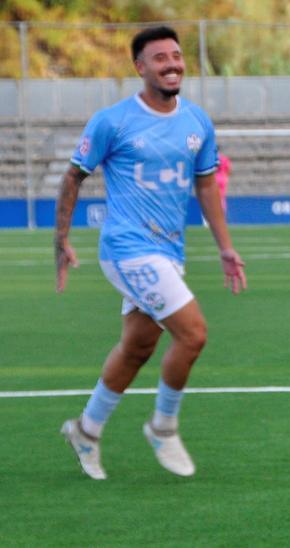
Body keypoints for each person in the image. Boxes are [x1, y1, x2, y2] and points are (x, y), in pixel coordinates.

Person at [54, 25, 248, 480]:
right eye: (160, 58)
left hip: (167, 250)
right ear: (140, 67)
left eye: (176, 56)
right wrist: (60, 239)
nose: (172, 64)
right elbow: (72, 176)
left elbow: (205, 185)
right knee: (193, 334)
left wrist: (225, 247)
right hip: (126, 248)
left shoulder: (197, 121)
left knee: (139, 345)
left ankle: (86, 429)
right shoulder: (113, 120)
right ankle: (163, 426)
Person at [215, 147, 231, 213]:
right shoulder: (224, 159)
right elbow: (228, 169)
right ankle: (222, 213)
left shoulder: (213, 159)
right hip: (223, 179)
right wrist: (226, 177)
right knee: (222, 197)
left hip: (215, 178)